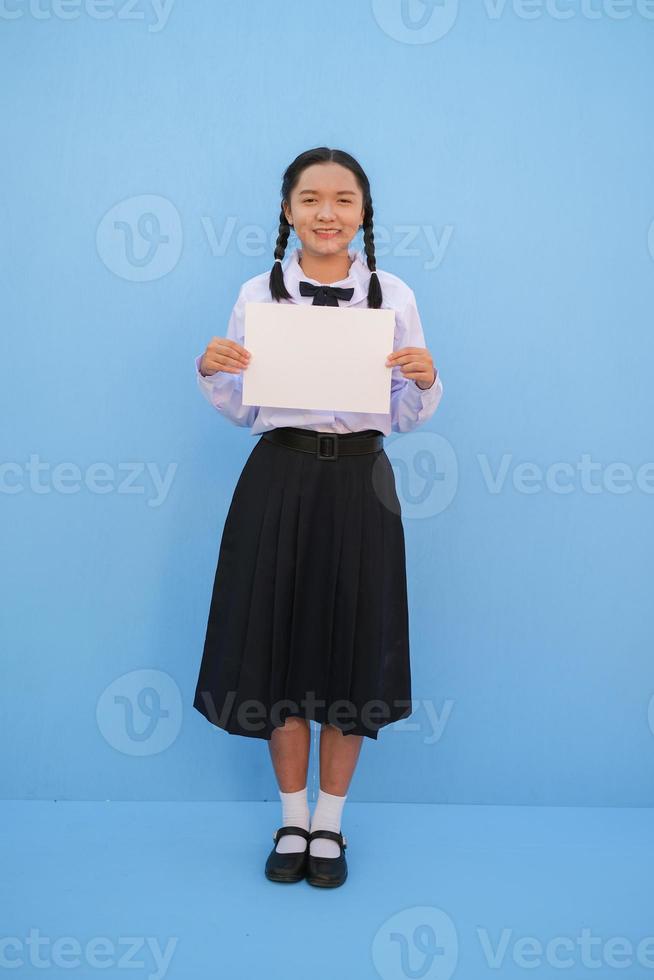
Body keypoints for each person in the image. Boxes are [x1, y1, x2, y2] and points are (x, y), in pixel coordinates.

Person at [192, 146, 444, 888]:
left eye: (342, 200)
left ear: (363, 212)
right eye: (310, 199)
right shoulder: (257, 292)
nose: (326, 213)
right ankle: (292, 816)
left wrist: (425, 380)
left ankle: (330, 826)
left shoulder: (393, 294)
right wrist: (214, 370)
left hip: (362, 481)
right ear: (287, 210)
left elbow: (403, 415)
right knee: (276, 644)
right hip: (279, 476)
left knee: (350, 646)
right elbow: (245, 410)